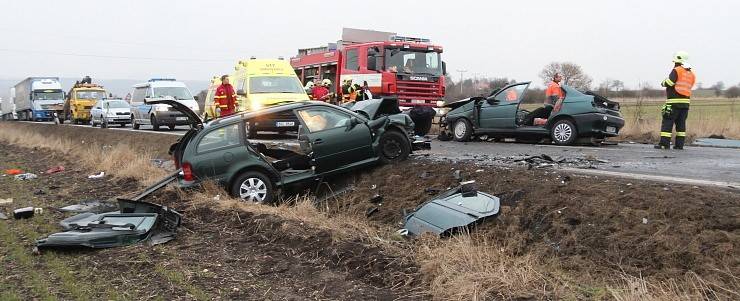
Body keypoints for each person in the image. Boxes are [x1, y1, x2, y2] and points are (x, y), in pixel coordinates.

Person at [655, 51, 696, 150]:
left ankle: (664, 145)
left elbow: (670, 82)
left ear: (677, 61)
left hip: (673, 103)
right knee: (681, 125)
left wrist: (663, 82)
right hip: (685, 104)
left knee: (667, 123)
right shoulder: (691, 73)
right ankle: (679, 145)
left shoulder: (677, 70)